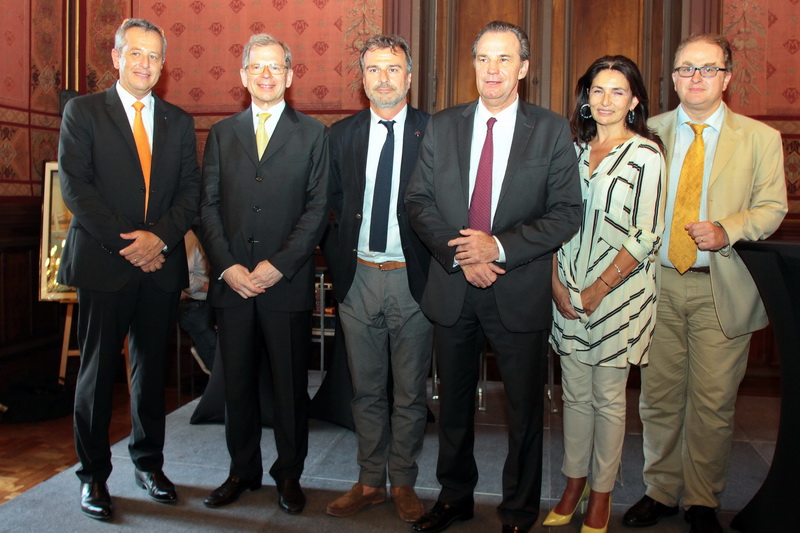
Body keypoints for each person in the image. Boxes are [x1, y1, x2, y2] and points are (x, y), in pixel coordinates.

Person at [405, 20, 582, 533]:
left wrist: (498, 247)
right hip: (454, 288)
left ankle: (519, 510)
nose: (492, 69)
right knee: (453, 408)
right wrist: (465, 253)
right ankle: (454, 497)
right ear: (473, 64)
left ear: (523, 68)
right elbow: (418, 201)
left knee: (525, 413)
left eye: (504, 59)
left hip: (519, 290)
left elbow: (566, 213)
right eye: (484, 58)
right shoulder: (443, 125)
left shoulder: (549, 130)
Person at [622, 34, 787, 533]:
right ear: (672, 78)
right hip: (658, 285)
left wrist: (726, 230)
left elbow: (772, 207)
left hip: (722, 285)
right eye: (686, 69)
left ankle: (701, 500)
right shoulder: (647, 133)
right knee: (658, 398)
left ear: (727, 77)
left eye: (708, 69)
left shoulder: (760, 139)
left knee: (713, 403)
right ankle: (660, 490)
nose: (696, 78)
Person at [57, 18, 200, 520]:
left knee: (149, 371)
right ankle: (93, 477)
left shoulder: (180, 122)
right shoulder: (83, 112)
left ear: (163, 66)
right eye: (135, 54)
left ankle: (149, 465)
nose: (144, 64)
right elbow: (76, 188)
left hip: (160, 265)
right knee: (96, 374)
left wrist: (157, 239)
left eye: (154, 56)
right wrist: (131, 243)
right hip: (103, 262)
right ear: (116, 57)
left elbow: (191, 194)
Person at [199, 33, 328, 515]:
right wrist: (228, 267)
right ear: (243, 77)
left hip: (285, 285)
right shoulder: (221, 133)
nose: (267, 75)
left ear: (290, 76)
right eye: (258, 67)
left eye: (276, 67)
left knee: (291, 388)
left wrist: (277, 266)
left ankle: (289, 475)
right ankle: (242, 471)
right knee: (237, 386)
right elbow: (206, 206)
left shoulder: (314, 134)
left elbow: (317, 210)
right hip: (232, 285)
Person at [546, 56, 665, 533]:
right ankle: (573, 483)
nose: (605, 100)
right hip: (566, 290)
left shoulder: (646, 155)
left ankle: (601, 492)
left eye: (617, 91)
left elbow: (646, 234)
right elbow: (552, 218)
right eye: (597, 90)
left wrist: (597, 289)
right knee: (574, 395)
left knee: (608, 399)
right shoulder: (569, 150)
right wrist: (556, 281)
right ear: (585, 97)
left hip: (618, 294)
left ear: (634, 100)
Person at [324, 35, 432, 523]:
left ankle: (404, 482)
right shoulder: (340, 135)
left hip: (414, 281)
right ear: (362, 78)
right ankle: (370, 481)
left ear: (409, 77)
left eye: (393, 69)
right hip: (359, 279)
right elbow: (326, 209)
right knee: (365, 390)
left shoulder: (435, 133)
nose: (383, 78)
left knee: (410, 392)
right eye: (373, 69)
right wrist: (337, 271)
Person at [178, 228, 216, 374]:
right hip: (193, 305)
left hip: (201, 304)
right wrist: (214, 288)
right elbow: (186, 281)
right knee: (219, 362)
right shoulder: (187, 235)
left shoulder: (192, 233)